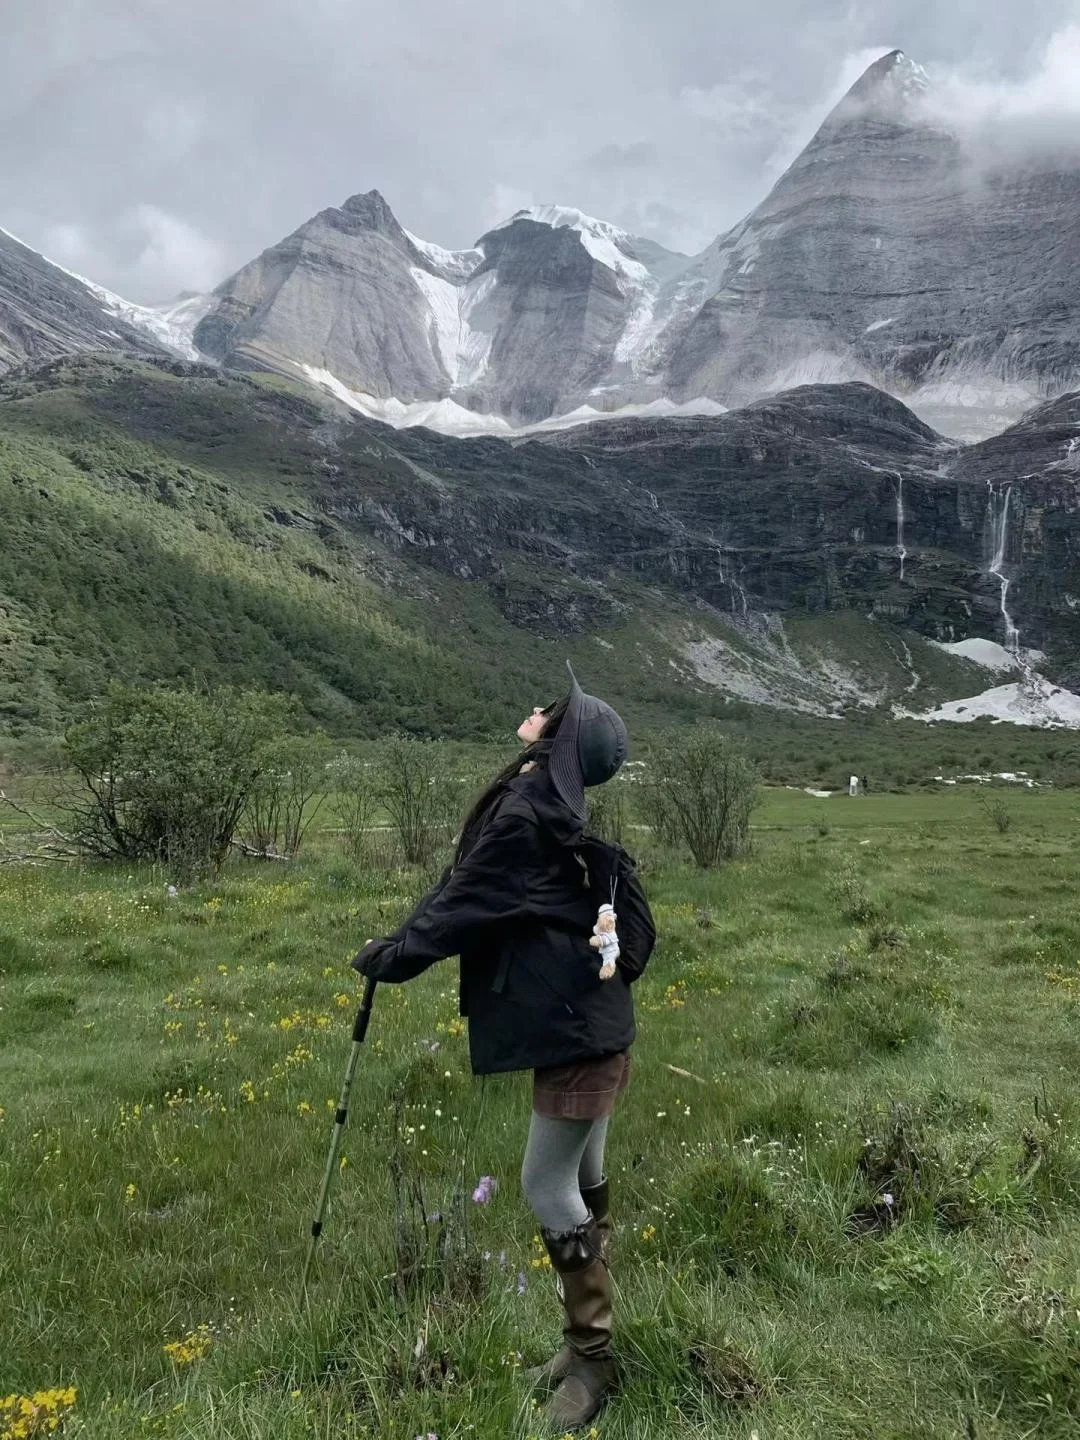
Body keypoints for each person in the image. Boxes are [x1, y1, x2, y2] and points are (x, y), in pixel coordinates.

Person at [351, 663, 654, 1431]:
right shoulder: (543, 807)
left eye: (551, 710)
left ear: (558, 741)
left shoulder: (526, 814)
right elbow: (468, 890)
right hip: (590, 1018)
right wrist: (401, 941)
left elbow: (462, 904)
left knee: (546, 1185)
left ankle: (592, 1362)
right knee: (584, 1178)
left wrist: (393, 959)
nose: (536, 709)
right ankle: (583, 1342)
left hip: (576, 1028)